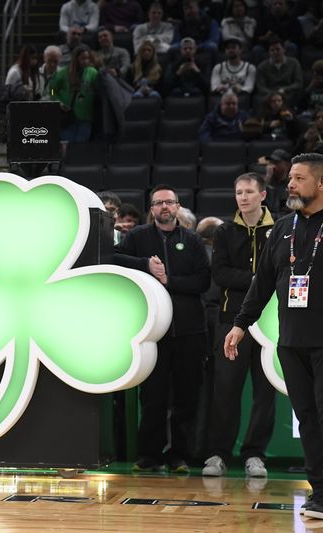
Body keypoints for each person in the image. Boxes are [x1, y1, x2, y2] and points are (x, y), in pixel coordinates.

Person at [225, 153, 323, 521]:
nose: (291, 184)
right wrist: (240, 323)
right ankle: (318, 490)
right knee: (307, 415)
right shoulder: (282, 228)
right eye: (291, 178)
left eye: (299, 178)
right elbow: (262, 281)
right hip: (291, 339)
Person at [115, 185, 211, 472]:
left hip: (189, 330)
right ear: (152, 209)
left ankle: (179, 454)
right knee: (153, 396)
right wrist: (145, 265)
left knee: (185, 397)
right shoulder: (137, 237)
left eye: (169, 202)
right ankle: (149, 454)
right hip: (151, 332)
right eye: (158, 203)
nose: (164, 207)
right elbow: (112, 258)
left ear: (178, 207)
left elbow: (203, 281)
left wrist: (169, 281)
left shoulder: (192, 240)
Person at [202, 173, 276, 479]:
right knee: (226, 390)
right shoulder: (224, 232)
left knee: (265, 392)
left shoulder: (281, 228)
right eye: (238, 192)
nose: (243, 197)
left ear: (262, 195)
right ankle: (218, 453)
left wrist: (260, 281)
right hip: (231, 320)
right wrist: (261, 281)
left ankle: (255, 454)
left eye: (248, 192)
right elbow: (220, 274)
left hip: (270, 324)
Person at [50, 45, 99, 151]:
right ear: (76, 59)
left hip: (86, 117)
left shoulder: (92, 72)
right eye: (82, 58)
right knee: (67, 148)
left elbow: (99, 88)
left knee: (81, 148)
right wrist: (57, 101)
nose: (86, 61)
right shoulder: (63, 73)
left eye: (88, 58)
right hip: (68, 118)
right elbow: (52, 89)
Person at [255, 38, 303, 110]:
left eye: (278, 49)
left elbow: (298, 83)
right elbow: (261, 87)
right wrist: (273, 94)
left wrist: (285, 89)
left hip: (287, 92)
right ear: (269, 52)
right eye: (272, 50)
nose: (275, 52)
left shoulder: (294, 63)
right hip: (269, 93)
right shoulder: (262, 66)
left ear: (284, 50)